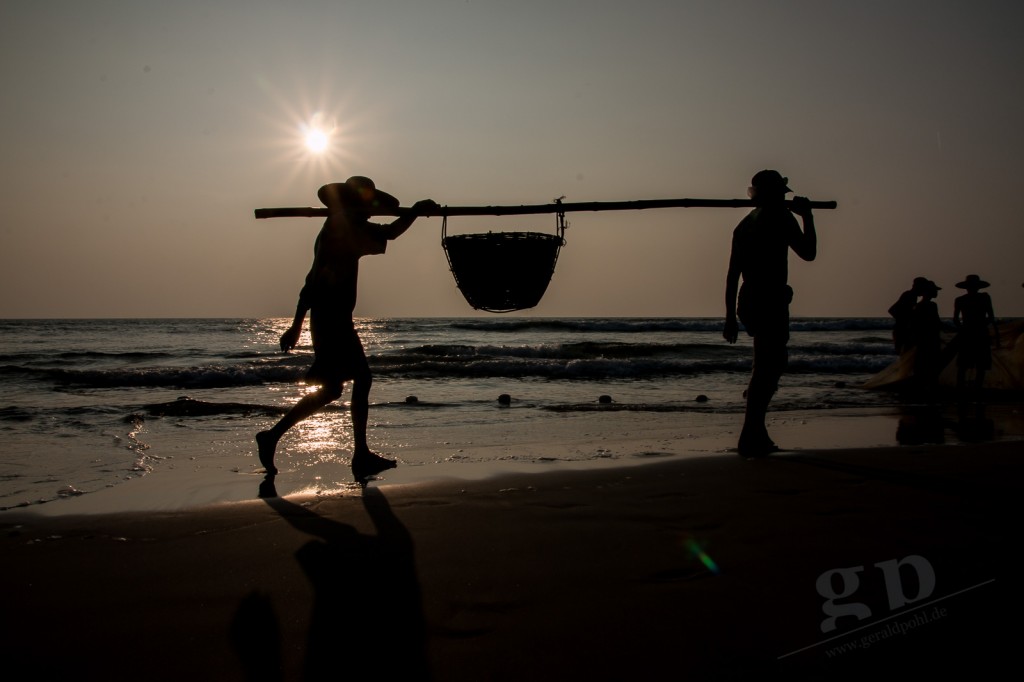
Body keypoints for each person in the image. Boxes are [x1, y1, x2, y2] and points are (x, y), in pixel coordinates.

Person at [256, 176, 437, 482]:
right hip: (330, 320)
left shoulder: (344, 225)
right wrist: (416, 211)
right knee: (361, 378)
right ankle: (360, 455)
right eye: (366, 204)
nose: (369, 211)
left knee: (332, 389)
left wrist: (299, 325)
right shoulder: (342, 227)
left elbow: (382, 234)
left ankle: (272, 437)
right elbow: (388, 234)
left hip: (335, 318)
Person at [723, 170, 817, 457]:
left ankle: (755, 431)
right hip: (769, 298)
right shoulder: (780, 218)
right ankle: (750, 433)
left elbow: (732, 275)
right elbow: (809, 252)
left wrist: (729, 316)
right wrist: (808, 216)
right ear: (775, 194)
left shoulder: (744, 225)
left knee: (765, 365)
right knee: (770, 366)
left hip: (748, 298)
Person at [953, 274, 999, 393]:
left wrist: (963, 328)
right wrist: (982, 325)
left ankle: (961, 388)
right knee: (978, 364)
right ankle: (975, 389)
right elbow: (991, 317)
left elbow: (956, 320)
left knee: (967, 364)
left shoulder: (961, 300)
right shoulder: (984, 298)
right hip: (979, 334)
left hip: (969, 334)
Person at [909, 279, 943, 390]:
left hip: (923, 340)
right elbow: (936, 323)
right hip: (930, 340)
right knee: (932, 366)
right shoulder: (931, 305)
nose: (936, 293)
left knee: (922, 366)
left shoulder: (918, 306)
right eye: (934, 290)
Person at [888, 277, 930, 354]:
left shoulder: (913, 297)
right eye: (923, 287)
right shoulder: (908, 295)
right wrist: (904, 321)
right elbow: (891, 310)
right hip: (901, 331)